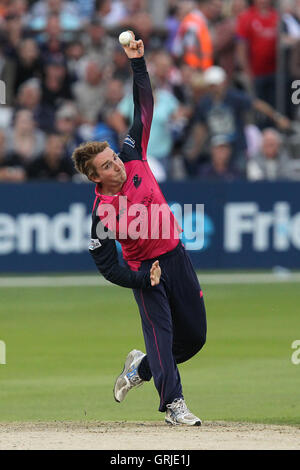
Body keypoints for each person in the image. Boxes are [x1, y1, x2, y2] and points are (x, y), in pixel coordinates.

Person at [72, 34, 207, 426]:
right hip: (146, 271)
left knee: (194, 339)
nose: (117, 164)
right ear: (95, 176)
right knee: (162, 338)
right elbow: (105, 264)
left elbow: (143, 108)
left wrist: (137, 63)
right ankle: (174, 406)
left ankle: (138, 369)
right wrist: (139, 280)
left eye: (114, 158)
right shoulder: (102, 212)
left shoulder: (132, 155)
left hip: (176, 255)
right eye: (108, 165)